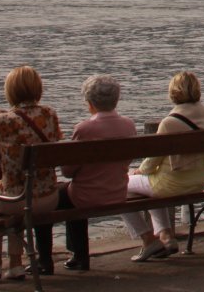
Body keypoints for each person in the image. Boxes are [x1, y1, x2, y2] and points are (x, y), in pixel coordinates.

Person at [0, 65, 63, 282]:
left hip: (17, 199)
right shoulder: (50, 114)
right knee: (16, 204)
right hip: (49, 197)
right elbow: (32, 128)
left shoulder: (2, 122)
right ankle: (15, 264)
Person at [121, 70, 204, 261]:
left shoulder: (170, 122)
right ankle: (165, 236)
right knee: (149, 187)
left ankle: (149, 240)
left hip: (172, 184)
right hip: (199, 181)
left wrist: (138, 171)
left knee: (118, 189)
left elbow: (152, 161)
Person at [54, 74, 137, 272]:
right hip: (118, 191)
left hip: (86, 196)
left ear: (90, 102)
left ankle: (78, 255)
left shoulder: (84, 129)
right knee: (71, 192)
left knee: (59, 196)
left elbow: (67, 171)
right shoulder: (128, 125)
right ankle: (77, 255)